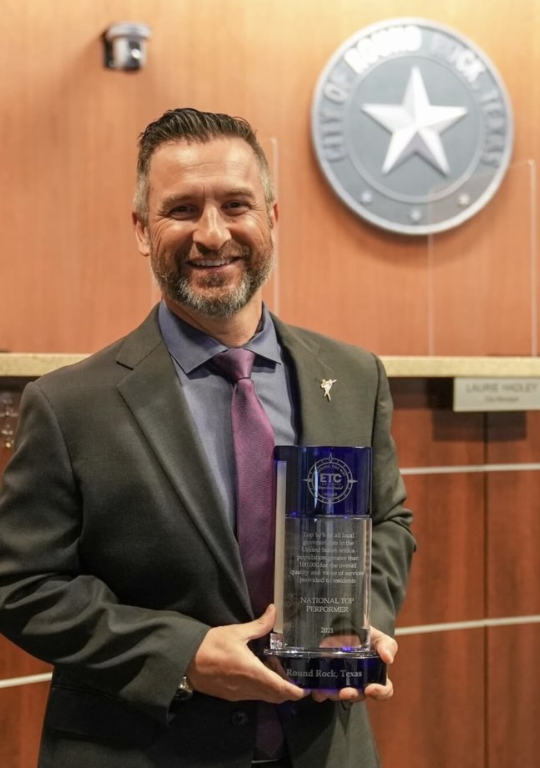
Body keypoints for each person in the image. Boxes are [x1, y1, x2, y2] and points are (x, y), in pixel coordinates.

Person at [0, 108, 415, 768]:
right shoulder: (68, 405)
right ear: (142, 229)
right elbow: (22, 587)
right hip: (144, 748)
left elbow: (390, 521)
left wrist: (363, 619)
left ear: (272, 219)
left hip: (322, 749)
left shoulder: (353, 375)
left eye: (236, 204)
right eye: (182, 209)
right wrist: (183, 655)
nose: (213, 233)